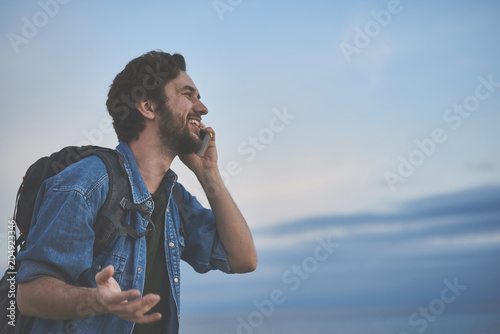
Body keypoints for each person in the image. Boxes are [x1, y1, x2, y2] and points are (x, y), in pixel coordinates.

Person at [16, 51, 258, 333]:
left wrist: (208, 173)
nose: (202, 108)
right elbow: (29, 294)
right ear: (148, 106)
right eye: (187, 94)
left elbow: (243, 259)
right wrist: (97, 300)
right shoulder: (86, 183)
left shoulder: (174, 200)